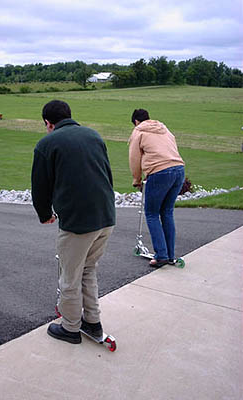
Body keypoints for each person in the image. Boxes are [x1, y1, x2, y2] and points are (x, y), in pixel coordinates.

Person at [31, 100, 115, 344]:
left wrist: (44, 213)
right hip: (106, 216)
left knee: (69, 276)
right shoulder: (93, 135)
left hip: (78, 222)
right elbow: (106, 174)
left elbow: (40, 186)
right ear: (69, 115)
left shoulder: (47, 144)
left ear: (48, 123)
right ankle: (93, 321)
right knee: (88, 270)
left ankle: (70, 328)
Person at [128, 108, 185, 268]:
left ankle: (161, 255)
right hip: (179, 169)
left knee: (152, 213)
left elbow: (134, 158)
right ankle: (170, 255)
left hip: (160, 172)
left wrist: (136, 180)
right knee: (167, 212)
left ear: (136, 122)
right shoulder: (163, 128)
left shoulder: (138, 132)